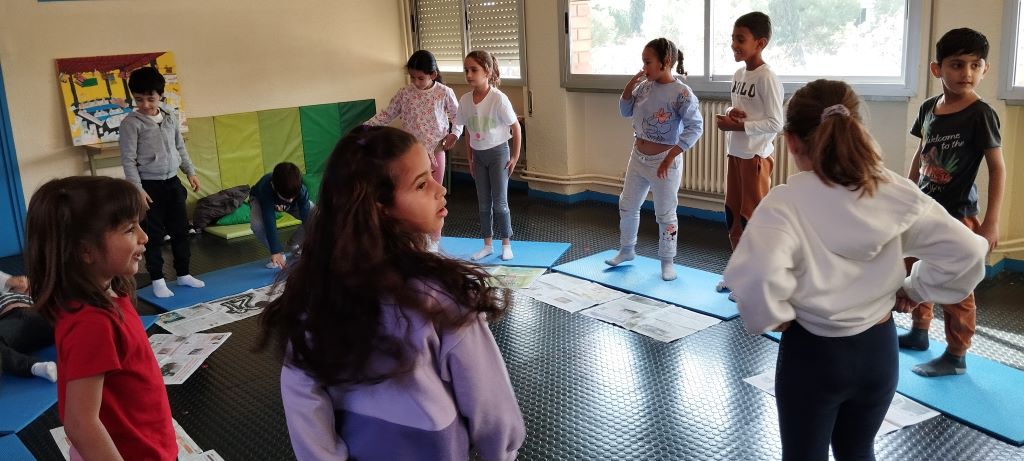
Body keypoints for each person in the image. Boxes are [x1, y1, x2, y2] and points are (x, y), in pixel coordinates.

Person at [723, 79, 987, 461]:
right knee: (857, 450)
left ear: (792, 142)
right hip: (878, 353)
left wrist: (774, 315)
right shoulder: (898, 193)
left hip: (812, 355)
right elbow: (969, 252)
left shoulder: (786, 203)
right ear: (858, 128)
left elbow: (754, 278)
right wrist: (914, 289)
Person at [259, 126, 525, 461]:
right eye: (421, 184)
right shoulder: (442, 298)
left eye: (431, 175)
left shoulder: (315, 293)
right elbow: (492, 406)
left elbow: (303, 402)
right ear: (380, 206)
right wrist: (500, 454)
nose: (440, 189)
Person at [25, 176, 176, 460]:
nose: (144, 237)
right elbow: (81, 424)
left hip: (148, 445)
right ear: (86, 251)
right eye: (130, 229)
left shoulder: (109, 294)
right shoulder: (92, 322)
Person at [898, 27, 1005, 377]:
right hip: (924, 209)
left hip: (958, 215)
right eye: (957, 65)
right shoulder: (928, 108)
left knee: (957, 284)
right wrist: (907, 194)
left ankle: (956, 354)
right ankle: (919, 331)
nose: (967, 73)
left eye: (975, 65)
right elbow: (921, 153)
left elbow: (997, 167)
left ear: (985, 69)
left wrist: (991, 223)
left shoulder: (981, 114)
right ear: (937, 69)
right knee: (918, 270)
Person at [606, 38, 703, 281]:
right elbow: (624, 111)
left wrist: (671, 156)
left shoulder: (682, 93)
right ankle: (627, 250)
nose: (644, 67)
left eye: (648, 62)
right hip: (638, 158)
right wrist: (631, 84)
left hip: (664, 161)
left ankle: (667, 262)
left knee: (665, 213)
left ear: (665, 62)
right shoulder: (643, 87)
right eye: (643, 62)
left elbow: (695, 127)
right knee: (627, 204)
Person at [714, 12, 784, 296]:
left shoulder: (767, 77)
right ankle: (738, 272)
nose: (734, 44)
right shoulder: (739, 75)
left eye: (740, 39)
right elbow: (740, 109)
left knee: (752, 219)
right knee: (732, 214)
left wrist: (739, 126)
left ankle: (756, 280)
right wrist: (731, 113)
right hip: (736, 154)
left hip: (755, 158)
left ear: (760, 43)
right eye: (733, 38)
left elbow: (776, 122)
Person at [119, 65, 205, 298]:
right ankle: (157, 279)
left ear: (160, 96)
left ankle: (184, 274)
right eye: (139, 99)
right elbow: (128, 160)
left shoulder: (169, 116)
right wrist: (137, 189)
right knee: (153, 236)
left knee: (180, 231)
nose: (145, 104)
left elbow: (179, 146)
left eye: (151, 98)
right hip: (149, 187)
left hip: (172, 182)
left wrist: (190, 171)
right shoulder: (131, 124)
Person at [366, 50, 463, 250]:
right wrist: (365, 128)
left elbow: (458, 116)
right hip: (411, 154)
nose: (416, 82)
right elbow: (387, 114)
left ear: (433, 75)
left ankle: (434, 241)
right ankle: (415, 240)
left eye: (420, 78)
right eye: (412, 77)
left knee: (434, 197)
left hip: (435, 150)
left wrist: (455, 133)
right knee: (412, 196)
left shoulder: (443, 92)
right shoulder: (405, 94)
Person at [455, 50, 522, 261]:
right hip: (478, 155)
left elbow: (516, 127)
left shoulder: (498, 99)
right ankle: (487, 244)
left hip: (498, 154)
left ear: (487, 71)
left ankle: (506, 243)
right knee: (483, 203)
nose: (469, 75)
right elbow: (467, 130)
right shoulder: (465, 100)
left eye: (474, 70)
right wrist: (470, 158)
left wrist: (515, 157)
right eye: (466, 70)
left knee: (500, 202)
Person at [249, 162, 314, 269]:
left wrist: (313, 243)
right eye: (287, 198)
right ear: (273, 186)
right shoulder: (266, 187)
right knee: (257, 225)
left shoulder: (300, 190)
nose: (290, 200)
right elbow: (269, 218)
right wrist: (276, 250)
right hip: (260, 200)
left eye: (293, 197)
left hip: (288, 203)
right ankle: (279, 255)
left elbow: (306, 217)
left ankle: (294, 244)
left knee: (316, 214)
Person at [0, 271, 56, 382]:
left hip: (36, 313)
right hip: (10, 323)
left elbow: (21, 282)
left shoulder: (29, 292)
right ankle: (35, 367)